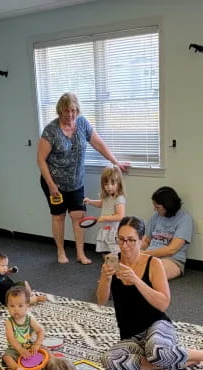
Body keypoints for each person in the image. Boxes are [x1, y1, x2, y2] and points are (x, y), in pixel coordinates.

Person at [96, 217, 203, 370]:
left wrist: (136, 280)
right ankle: (170, 361)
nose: (124, 245)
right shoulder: (112, 262)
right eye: (120, 239)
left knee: (157, 352)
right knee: (109, 361)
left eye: (130, 240)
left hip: (157, 325)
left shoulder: (153, 263)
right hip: (131, 336)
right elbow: (101, 301)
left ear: (142, 240)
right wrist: (105, 279)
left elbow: (163, 304)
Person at [37, 92, 128, 265]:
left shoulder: (83, 123)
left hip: (76, 181)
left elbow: (98, 143)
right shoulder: (51, 130)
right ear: (60, 111)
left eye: (73, 110)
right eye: (66, 111)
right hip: (54, 183)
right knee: (58, 217)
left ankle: (80, 253)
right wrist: (51, 185)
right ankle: (61, 252)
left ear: (77, 110)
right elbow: (40, 160)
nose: (70, 115)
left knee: (78, 215)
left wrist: (116, 162)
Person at [142, 186, 193, 280]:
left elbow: (171, 250)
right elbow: (147, 240)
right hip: (150, 254)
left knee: (154, 272)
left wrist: (145, 254)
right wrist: (135, 250)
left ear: (167, 206)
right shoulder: (156, 216)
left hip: (171, 259)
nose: (154, 209)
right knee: (124, 266)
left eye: (157, 207)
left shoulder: (184, 219)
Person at [2, 285, 45, 370]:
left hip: (30, 346)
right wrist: (20, 349)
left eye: (20, 306)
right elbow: (11, 338)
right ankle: (17, 368)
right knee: (6, 357)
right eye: (12, 306)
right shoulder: (9, 322)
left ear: (27, 306)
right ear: (7, 306)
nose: (16, 309)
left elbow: (40, 331)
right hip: (15, 349)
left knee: (44, 349)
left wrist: (37, 344)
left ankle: (54, 362)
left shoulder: (29, 319)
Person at [83, 166, 127, 255]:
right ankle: (107, 267)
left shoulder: (119, 198)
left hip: (114, 231)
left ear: (119, 183)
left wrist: (104, 218)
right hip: (106, 229)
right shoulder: (107, 196)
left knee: (115, 254)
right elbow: (102, 204)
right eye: (106, 184)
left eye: (113, 183)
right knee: (105, 253)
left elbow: (120, 216)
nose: (109, 187)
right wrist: (90, 201)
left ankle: (115, 268)